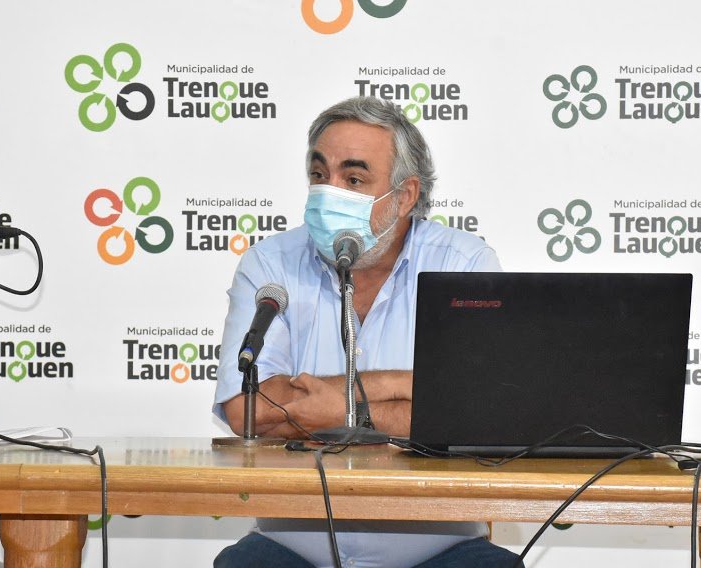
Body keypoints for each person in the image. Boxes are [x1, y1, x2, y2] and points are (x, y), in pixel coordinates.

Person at [213, 97, 518, 567]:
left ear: (405, 195)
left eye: (353, 180)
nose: (328, 192)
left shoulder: (463, 264)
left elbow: (477, 413)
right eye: (319, 174)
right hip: (293, 548)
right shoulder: (270, 264)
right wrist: (403, 391)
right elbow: (247, 408)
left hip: (439, 549)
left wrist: (341, 407)